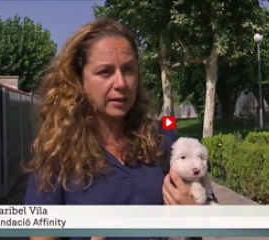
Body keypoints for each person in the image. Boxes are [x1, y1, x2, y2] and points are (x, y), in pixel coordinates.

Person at [23, 18, 201, 240]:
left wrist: (195, 218)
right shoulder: (55, 155)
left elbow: (197, 215)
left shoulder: (164, 138)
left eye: (128, 70)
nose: (121, 83)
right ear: (78, 80)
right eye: (105, 72)